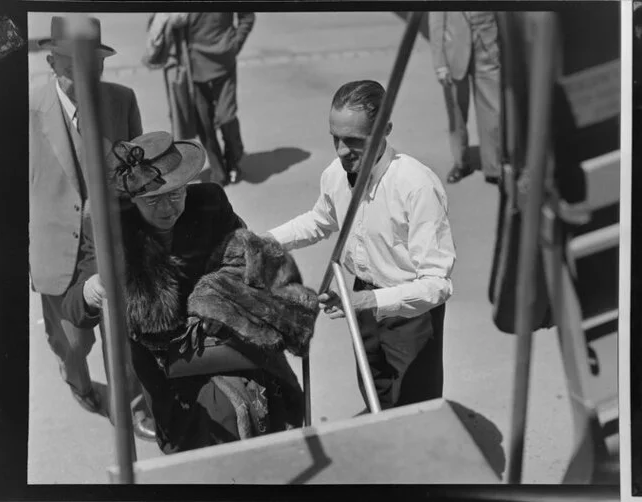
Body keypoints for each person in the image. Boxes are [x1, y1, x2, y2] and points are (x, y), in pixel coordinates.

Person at [62, 132, 307, 453]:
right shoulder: (112, 231)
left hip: (230, 342)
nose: (167, 208)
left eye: (176, 194)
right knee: (204, 437)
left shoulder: (209, 204)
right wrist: (91, 290)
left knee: (272, 417)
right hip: (167, 365)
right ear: (132, 198)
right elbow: (71, 308)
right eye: (152, 199)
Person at [265, 80, 457, 411]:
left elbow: (436, 284)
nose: (341, 151)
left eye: (353, 141)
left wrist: (368, 300)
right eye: (335, 139)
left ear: (385, 130)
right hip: (362, 304)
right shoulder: (335, 175)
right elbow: (320, 220)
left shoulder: (417, 186)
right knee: (375, 395)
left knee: (415, 410)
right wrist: (264, 241)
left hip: (411, 315)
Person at [29, 15, 154, 440]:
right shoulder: (25, 107)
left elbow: (139, 177)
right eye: (71, 67)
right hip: (56, 253)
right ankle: (77, 380)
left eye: (93, 67)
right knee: (74, 343)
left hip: (113, 247)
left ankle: (133, 410)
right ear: (52, 62)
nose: (84, 76)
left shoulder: (122, 100)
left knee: (123, 341)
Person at [161, 12, 256, 186]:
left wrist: (234, 44)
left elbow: (247, 16)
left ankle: (234, 159)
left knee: (226, 117)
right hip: (193, 66)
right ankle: (218, 171)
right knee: (204, 123)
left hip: (224, 63)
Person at [429, 11, 501, 185]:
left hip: (488, 49)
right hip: (454, 52)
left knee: (494, 110)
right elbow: (436, 22)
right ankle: (461, 163)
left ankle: (494, 167)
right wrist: (440, 63)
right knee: (456, 112)